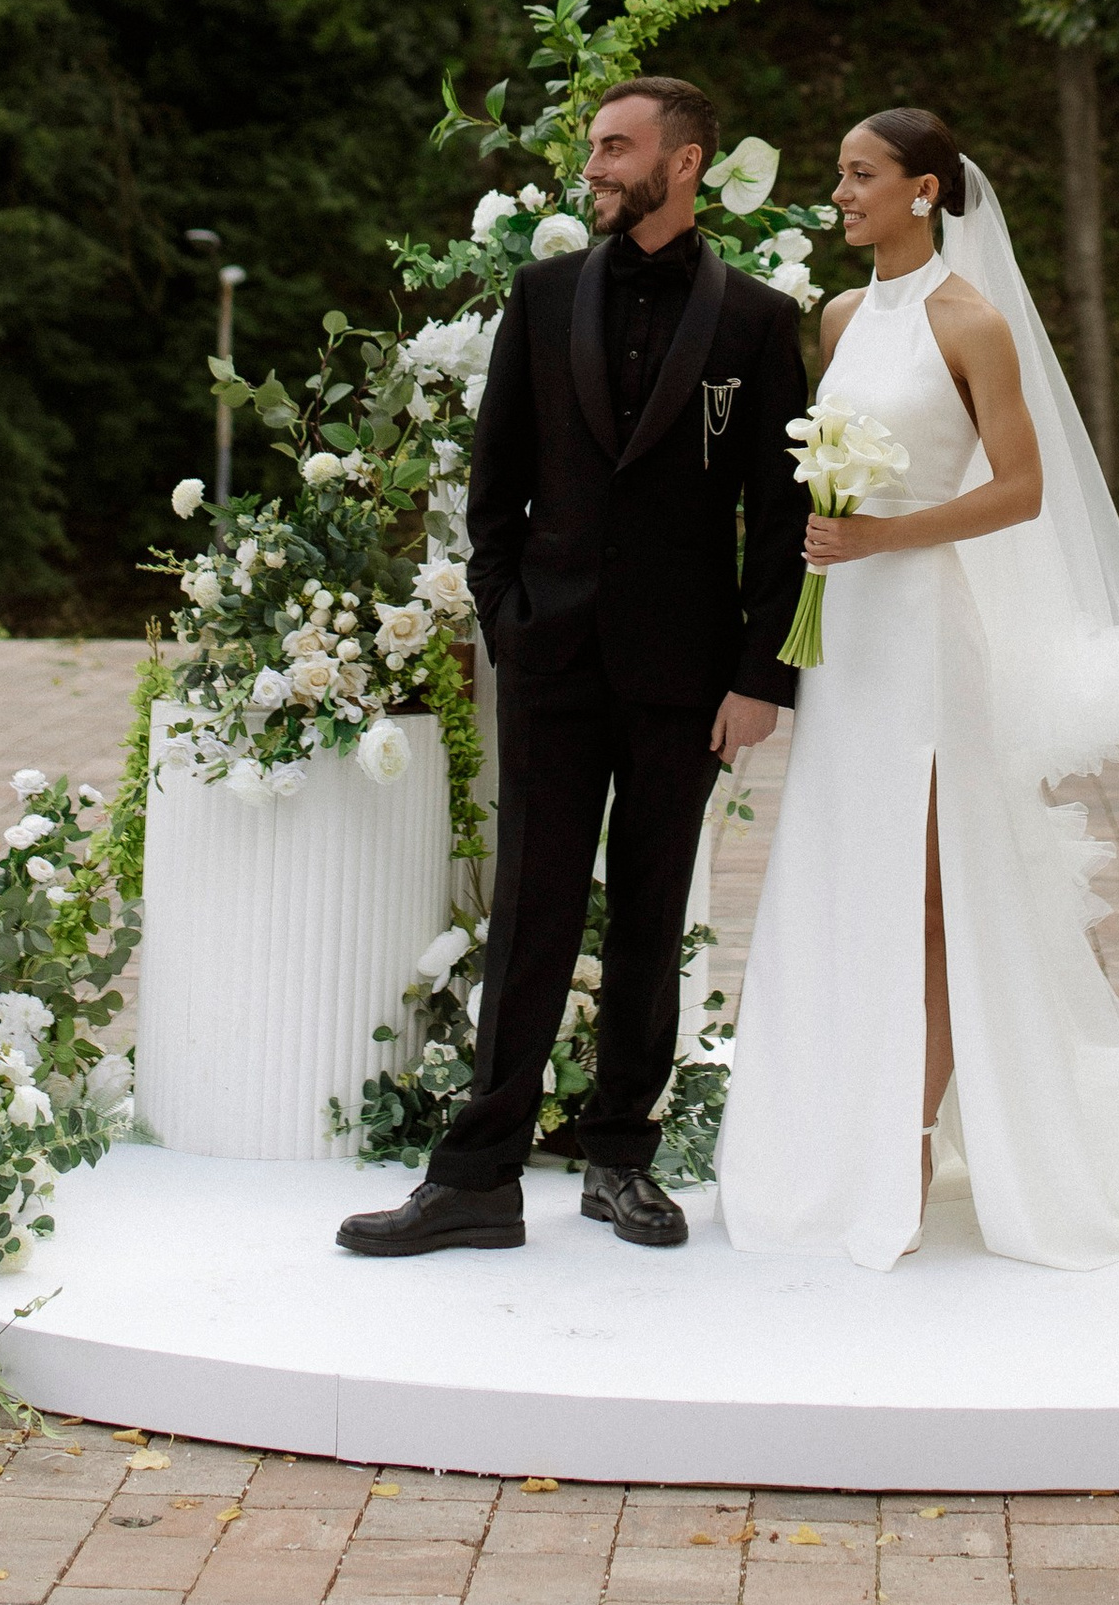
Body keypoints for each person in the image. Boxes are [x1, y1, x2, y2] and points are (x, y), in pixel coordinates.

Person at [714, 108, 1119, 1270]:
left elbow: (1020, 489)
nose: (839, 193)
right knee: (835, 882)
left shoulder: (973, 323)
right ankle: (823, 1130)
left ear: (922, 190)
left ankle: (909, 1140)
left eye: (859, 174)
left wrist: (885, 534)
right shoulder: (841, 316)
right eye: (838, 174)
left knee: (930, 895)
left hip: (921, 631)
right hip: (844, 634)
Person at [340, 75, 810, 1258]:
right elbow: (493, 482)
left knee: (651, 918)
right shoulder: (542, 295)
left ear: (683, 162)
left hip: (686, 675)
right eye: (593, 147)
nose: (593, 166)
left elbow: (779, 512)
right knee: (531, 912)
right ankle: (476, 1179)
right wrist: (507, 619)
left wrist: (760, 675)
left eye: (615, 147)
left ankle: (620, 1161)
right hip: (551, 656)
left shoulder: (757, 322)